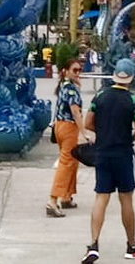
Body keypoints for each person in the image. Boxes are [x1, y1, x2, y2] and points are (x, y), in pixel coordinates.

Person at [81, 59, 135, 262]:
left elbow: (88, 123)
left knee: (101, 197)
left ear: (115, 76)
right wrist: (125, 136)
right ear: (131, 78)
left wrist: (104, 132)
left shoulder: (100, 96)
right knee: (126, 199)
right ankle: (132, 245)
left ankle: (93, 245)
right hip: (123, 154)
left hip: (102, 153)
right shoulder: (134, 101)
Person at [48, 58, 86, 217]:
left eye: (80, 70)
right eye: (75, 70)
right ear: (66, 71)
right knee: (66, 163)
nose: (78, 73)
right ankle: (53, 199)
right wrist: (84, 131)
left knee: (72, 161)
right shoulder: (71, 88)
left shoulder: (64, 85)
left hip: (60, 127)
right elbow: (75, 111)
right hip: (69, 127)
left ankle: (66, 196)